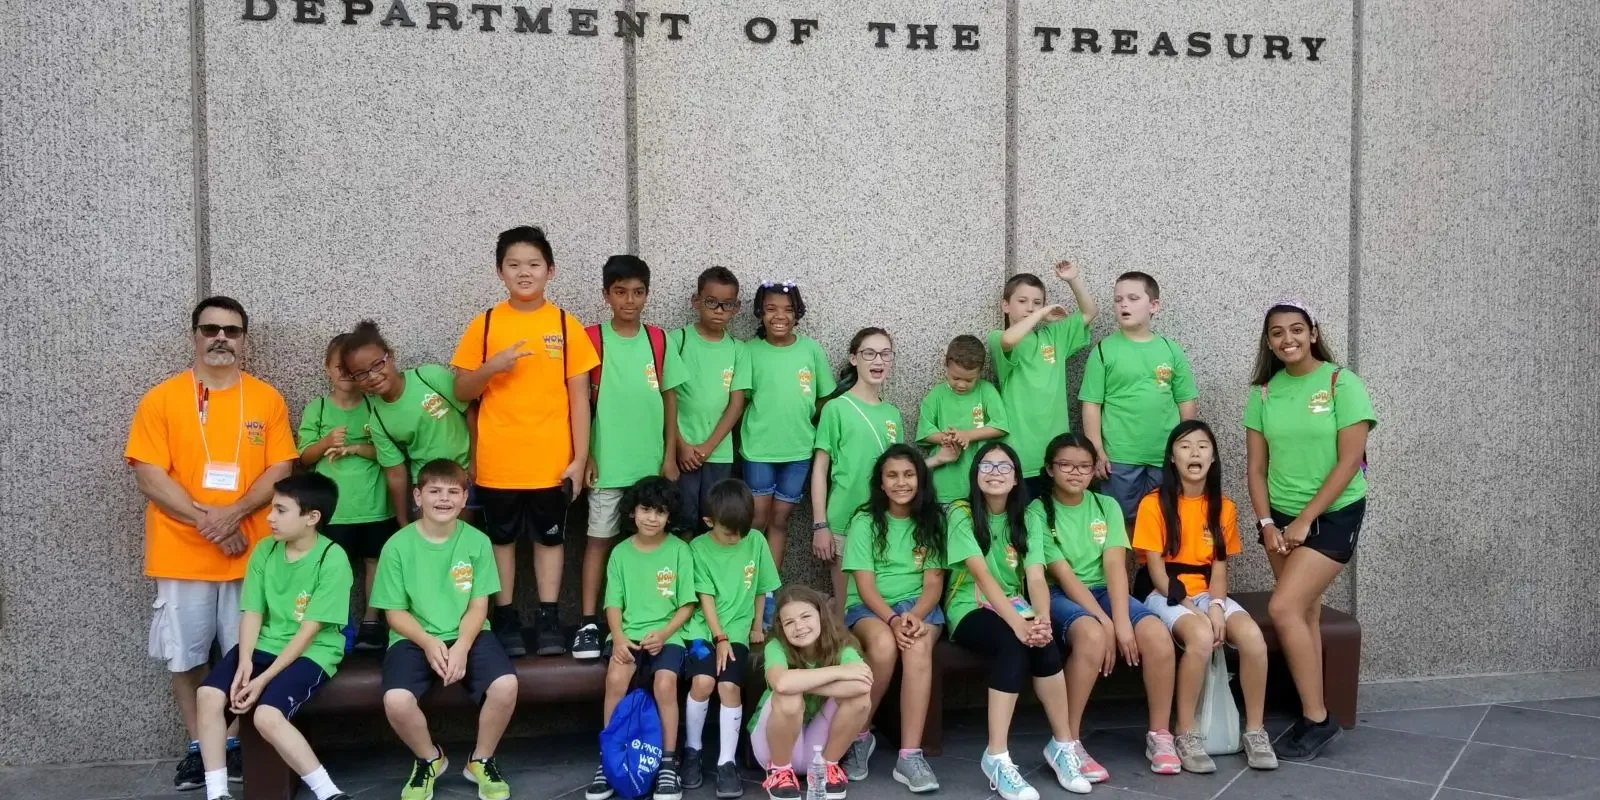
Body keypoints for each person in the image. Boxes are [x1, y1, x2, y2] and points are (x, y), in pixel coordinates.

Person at [126, 296, 298, 790]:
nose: (221, 337)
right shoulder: (161, 398)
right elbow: (149, 475)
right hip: (181, 554)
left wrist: (236, 516)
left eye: (232, 330)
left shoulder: (266, 398)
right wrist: (212, 523)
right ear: (194, 335)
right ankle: (202, 749)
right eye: (210, 329)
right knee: (188, 657)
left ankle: (237, 745)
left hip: (250, 554)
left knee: (247, 652)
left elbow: (280, 468)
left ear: (244, 339)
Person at [451, 225, 600, 658]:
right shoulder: (486, 324)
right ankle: (507, 618)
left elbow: (580, 399)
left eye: (533, 264)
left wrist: (580, 458)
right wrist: (491, 367)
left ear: (550, 271)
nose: (524, 272)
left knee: (550, 540)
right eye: (514, 265)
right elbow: (462, 391)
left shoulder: (563, 324)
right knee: (501, 541)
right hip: (498, 462)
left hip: (552, 462)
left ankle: (549, 618)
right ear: (500, 272)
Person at [1245, 301, 1375, 761]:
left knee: (1283, 608)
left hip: (1334, 513)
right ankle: (1310, 708)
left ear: (1313, 332)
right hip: (1279, 517)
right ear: (1268, 341)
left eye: (1297, 330)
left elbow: (1348, 461)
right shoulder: (1263, 392)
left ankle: (1319, 719)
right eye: (1277, 333)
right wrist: (1265, 523)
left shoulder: (1342, 382)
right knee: (1305, 614)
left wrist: (1305, 521)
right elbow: (1256, 468)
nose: (1288, 340)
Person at [944, 442, 1092, 798]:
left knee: (1045, 644)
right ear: (975, 474)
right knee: (1013, 644)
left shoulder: (1027, 517)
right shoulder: (961, 513)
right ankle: (996, 755)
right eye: (987, 466)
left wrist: (1040, 618)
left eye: (1004, 467)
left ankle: (1063, 744)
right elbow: (983, 577)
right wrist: (1019, 624)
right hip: (969, 606)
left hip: (1015, 603)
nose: (995, 473)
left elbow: (1036, 577)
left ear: (1015, 479)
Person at [194, 473, 354, 800]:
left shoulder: (332, 557)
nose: (270, 518)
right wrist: (244, 663)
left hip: (313, 650)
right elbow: (251, 612)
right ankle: (217, 792)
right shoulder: (265, 550)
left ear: (311, 518)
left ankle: (329, 793)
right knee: (209, 695)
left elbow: (310, 630)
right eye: (271, 509)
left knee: (267, 715)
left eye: (281, 510)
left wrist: (262, 678)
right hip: (264, 644)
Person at [1030, 433, 1179, 781]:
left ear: (1094, 469)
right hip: (1059, 595)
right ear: (1050, 469)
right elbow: (1062, 575)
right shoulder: (1038, 511)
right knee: (1093, 636)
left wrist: (1122, 621)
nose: (1075, 473)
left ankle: (1160, 735)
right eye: (1065, 465)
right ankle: (1067, 740)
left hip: (1103, 592)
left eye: (1084, 466)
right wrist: (1105, 621)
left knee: (1156, 633)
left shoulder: (1105, 506)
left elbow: (1115, 566)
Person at [1133, 421, 1277, 773]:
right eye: (1184, 446)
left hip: (1206, 593)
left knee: (1253, 639)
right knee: (1199, 636)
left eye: (1202, 446)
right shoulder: (1153, 504)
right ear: (1172, 458)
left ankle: (1255, 730)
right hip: (1164, 592)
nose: (1194, 452)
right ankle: (1186, 732)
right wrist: (1194, 613)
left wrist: (1214, 606)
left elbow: (1220, 569)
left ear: (1213, 458)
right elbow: (1155, 571)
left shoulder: (1223, 507)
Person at [371, 459, 518, 800]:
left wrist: (463, 646)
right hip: (413, 636)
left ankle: (481, 759)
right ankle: (429, 758)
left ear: (465, 499)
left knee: (506, 685)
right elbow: (394, 612)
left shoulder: (477, 541)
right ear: (417, 496)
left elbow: (479, 606)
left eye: (453, 491)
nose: (444, 499)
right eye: (434, 491)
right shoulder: (397, 545)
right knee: (396, 700)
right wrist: (427, 641)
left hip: (469, 631)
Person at [577, 255, 674, 661]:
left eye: (637, 293)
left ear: (647, 295)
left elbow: (671, 399)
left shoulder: (658, 339)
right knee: (598, 543)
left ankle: (644, 622)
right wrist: (584, 457)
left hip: (650, 468)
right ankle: (587, 623)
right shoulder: (591, 338)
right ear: (606, 295)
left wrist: (669, 456)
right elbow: (576, 405)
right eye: (620, 292)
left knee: (648, 546)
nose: (629, 301)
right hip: (608, 465)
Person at [838, 444, 945, 793]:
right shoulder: (865, 521)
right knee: (883, 646)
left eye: (909, 474)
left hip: (920, 605)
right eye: (892, 475)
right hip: (871, 606)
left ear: (920, 478)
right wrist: (893, 619)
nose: (901, 482)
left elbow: (933, 583)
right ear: (881, 483)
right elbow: (865, 586)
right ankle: (860, 733)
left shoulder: (931, 520)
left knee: (916, 648)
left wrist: (912, 615)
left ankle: (910, 756)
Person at [588, 476, 698, 800]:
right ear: (633, 512)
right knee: (616, 679)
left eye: (660, 512)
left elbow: (688, 603)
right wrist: (619, 638)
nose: (652, 518)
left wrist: (664, 634)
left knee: (666, 682)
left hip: (669, 635)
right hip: (628, 634)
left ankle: (667, 762)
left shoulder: (680, 551)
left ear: (669, 516)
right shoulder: (621, 553)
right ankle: (609, 757)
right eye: (646, 509)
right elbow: (613, 603)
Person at [680, 479, 782, 797]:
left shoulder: (755, 541)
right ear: (710, 522)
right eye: (728, 532)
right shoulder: (697, 547)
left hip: (737, 629)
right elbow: (705, 598)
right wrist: (719, 637)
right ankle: (693, 751)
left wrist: (755, 625)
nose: (736, 538)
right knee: (703, 683)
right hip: (702, 631)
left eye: (741, 530)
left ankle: (727, 762)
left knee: (728, 686)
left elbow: (762, 588)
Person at [298, 333, 396, 651]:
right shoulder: (319, 408)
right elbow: (303, 458)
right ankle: (337, 624)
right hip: (334, 509)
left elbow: (390, 453)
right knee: (333, 567)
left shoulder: (375, 406)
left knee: (375, 563)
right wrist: (325, 443)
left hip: (375, 505)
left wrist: (355, 447)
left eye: (349, 367)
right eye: (336, 365)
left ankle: (371, 623)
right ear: (327, 369)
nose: (343, 372)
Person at [1080, 271, 1198, 524]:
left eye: (1133, 298)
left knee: (1163, 523)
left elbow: (1186, 401)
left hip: (1164, 456)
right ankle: (1123, 566)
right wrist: (1096, 449)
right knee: (1120, 525)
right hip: (1119, 458)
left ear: (1154, 305)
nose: (1124, 304)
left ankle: (1152, 566)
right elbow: (1091, 404)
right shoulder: (1103, 351)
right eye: (1118, 299)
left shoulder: (1170, 349)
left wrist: (1184, 447)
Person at [740, 281, 833, 571]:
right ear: (759, 312)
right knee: (756, 520)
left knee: (780, 520)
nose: (779, 316)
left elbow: (825, 396)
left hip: (798, 451)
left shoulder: (811, 350)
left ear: (797, 314)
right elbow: (740, 401)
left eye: (788, 310)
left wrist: (805, 417)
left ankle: (769, 593)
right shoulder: (748, 351)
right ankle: (749, 586)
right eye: (771, 309)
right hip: (758, 449)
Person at [339, 320, 471, 523]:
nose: (373, 376)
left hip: (467, 479)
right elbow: (396, 474)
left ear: (390, 356)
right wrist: (403, 522)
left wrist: (477, 466)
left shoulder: (430, 377)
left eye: (377, 364)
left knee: (466, 544)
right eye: (361, 374)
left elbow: (473, 413)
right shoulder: (378, 421)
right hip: (428, 490)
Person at [752, 586, 873, 800]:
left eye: (806, 616)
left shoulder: (842, 646)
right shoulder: (776, 646)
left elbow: (862, 685)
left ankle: (829, 767)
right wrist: (839, 672)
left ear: (821, 615)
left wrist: (800, 680)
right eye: (789, 622)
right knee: (788, 695)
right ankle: (779, 773)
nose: (799, 626)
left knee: (859, 698)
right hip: (775, 748)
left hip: (817, 749)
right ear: (781, 627)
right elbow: (781, 682)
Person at [987, 261, 1096, 499]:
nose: (1030, 307)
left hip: (1056, 454)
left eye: (1037, 302)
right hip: (1019, 452)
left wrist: (1073, 279)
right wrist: (1040, 314)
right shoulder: (999, 338)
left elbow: (1089, 313)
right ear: (1005, 305)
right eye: (1022, 301)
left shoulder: (1053, 335)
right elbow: (1008, 341)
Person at [811, 328, 902, 610]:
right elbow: (819, 470)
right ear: (854, 359)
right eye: (869, 353)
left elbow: (899, 470)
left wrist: (938, 459)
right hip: (842, 520)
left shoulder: (892, 414)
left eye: (885, 354)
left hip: (883, 520)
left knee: (875, 606)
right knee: (846, 605)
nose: (878, 360)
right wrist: (820, 525)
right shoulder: (836, 409)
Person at [664, 266, 751, 534]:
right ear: (696, 301)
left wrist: (707, 447)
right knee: (681, 521)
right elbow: (666, 399)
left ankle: (704, 575)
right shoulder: (676, 341)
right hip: (682, 452)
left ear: (736, 308)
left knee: (713, 522)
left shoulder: (738, 349)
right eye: (711, 302)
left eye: (726, 305)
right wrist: (681, 445)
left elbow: (736, 404)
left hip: (718, 454)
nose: (718, 310)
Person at [917, 334, 1008, 505]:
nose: (961, 384)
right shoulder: (936, 395)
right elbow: (924, 433)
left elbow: (1000, 426)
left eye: (969, 380)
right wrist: (948, 438)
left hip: (981, 485)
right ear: (946, 366)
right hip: (945, 484)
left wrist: (968, 435)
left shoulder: (986, 391)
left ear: (980, 372)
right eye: (955, 378)